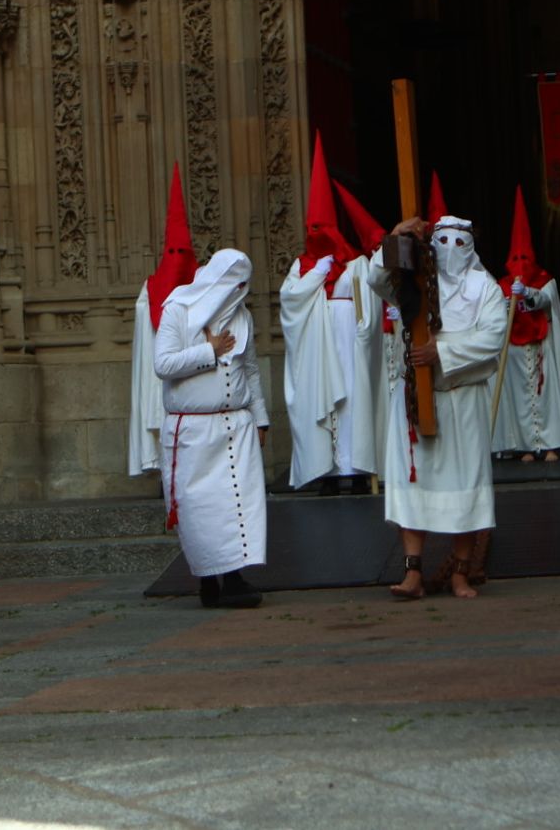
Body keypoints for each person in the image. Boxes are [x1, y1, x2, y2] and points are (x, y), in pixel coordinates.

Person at [369, 214, 508, 600]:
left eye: (459, 243)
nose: (450, 250)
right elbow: (377, 280)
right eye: (442, 241)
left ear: (471, 246)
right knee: (415, 484)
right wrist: (394, 238)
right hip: (416, 399)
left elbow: (493, 337)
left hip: (463, 399)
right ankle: (413, 573)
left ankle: (461, 574)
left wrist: (441, 352)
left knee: (465, 486)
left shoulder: (485, 288)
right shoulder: (414, 280)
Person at [154, 249, 269, 610]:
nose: (238, 292)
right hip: (194, 431)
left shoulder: (243, 316)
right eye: (233, 283)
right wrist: (209, 351)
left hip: (236, 425)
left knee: (238, 507)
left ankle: (234, 579)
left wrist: (261, 417)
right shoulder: (178, 309)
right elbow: (163, 364)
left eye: (243, 285)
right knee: (202, 509)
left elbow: (250, 368)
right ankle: (208, 580)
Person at [280, 136, 382, 494]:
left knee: (352, 400)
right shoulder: (301, 266)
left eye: (323, 228)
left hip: (348, 340)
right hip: (316, 346)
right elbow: (289, 300)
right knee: (318, 401)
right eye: (313, 229)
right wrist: (317, 274)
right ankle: (325, 469)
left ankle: (355, 467)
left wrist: (364, 332)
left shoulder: (356, 263)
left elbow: (369, 302)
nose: (317, 235)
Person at [491, 187, 560, 462]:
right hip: (515, 354)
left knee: (546, 397)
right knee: (520, 400)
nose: (521, 264)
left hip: (542, 351)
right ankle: (526, 446)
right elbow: (495, 314)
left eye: (524, 258)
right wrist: (506, 302)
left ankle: (551, 443)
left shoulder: (545, 280)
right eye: (516, 259)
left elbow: (546, 300)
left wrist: (529, 293)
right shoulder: (501, 285)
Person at [128, 164, 197, 482]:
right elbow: (146, 328)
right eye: (172, 252)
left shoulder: (200, 283)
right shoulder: (150, 288)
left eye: (182, 252)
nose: (177, 257)